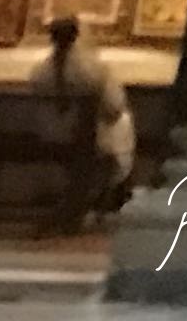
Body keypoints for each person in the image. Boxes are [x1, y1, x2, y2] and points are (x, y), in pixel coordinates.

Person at [35, 15, 132, 219]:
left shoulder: (40, 72)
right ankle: (111, 195)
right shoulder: (94, 71)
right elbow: (114, 107)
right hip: (86, 140)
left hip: (47, 136)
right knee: (123, 125)